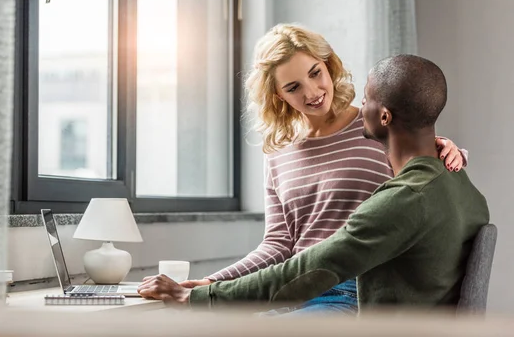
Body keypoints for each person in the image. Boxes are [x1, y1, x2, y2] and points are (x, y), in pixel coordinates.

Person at [137, 54, 489, 313]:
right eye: (292, 86)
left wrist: (199, 297)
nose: (358, 105)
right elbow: (279, 245)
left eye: (366, 99)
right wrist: (214, 284)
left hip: (347, 299)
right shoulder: (463, 189)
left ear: (384, 116)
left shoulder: (404, 198)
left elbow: (311, 268)